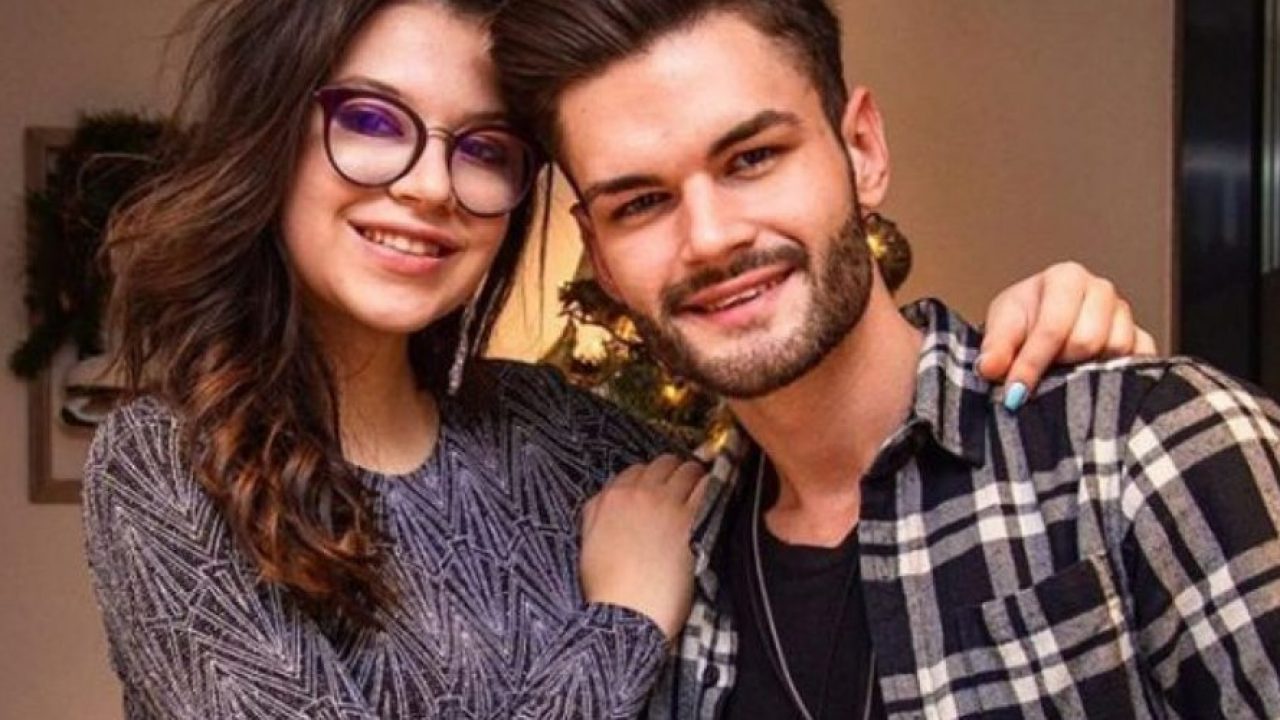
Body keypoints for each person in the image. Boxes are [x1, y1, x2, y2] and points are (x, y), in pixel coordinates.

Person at [84, 0, 1152, 717]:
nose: (428, 186)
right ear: (274, 137)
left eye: (484, 149)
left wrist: (1016, 354)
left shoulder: (570, 435)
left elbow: (817, 462)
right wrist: (625, 623)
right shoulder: (167, 467)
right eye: (369, 121)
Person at [490, 0, 1280, 718]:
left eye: (753, 158)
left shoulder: (1142, 450)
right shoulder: (672, 573)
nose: (710, 238)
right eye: (640, 204)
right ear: (599, 254)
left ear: (862, 150)